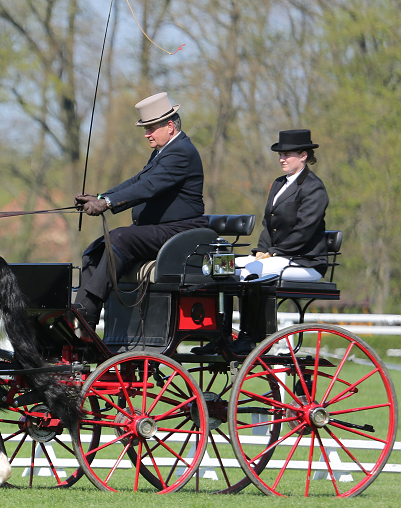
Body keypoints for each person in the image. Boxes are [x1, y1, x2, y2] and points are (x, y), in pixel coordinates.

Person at [73, 92, 206, 330]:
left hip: (180, 231)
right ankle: (82, 318)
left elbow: (149, 187)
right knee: (94, 250)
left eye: (151, 128)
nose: (146, 134)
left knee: (119, 238)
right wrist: (102, 197)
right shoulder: (163, 151)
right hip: (159, 230)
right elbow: (137, 181)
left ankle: (88, 309)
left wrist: (107, 204)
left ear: (169, 126)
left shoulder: (181, 152)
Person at [224, 128, 329, 355]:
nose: (281, 158)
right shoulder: (280, 183)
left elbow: (304, 230)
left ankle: (254, 337)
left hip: (307, 262)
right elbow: (268, 225)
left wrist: (273, 252)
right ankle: (224, 333)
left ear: (303, 155)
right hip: (279, 256)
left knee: (252, 271)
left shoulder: (314, 188)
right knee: (229, 267)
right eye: (280, 154)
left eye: (287, 154)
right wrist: (261, 250)